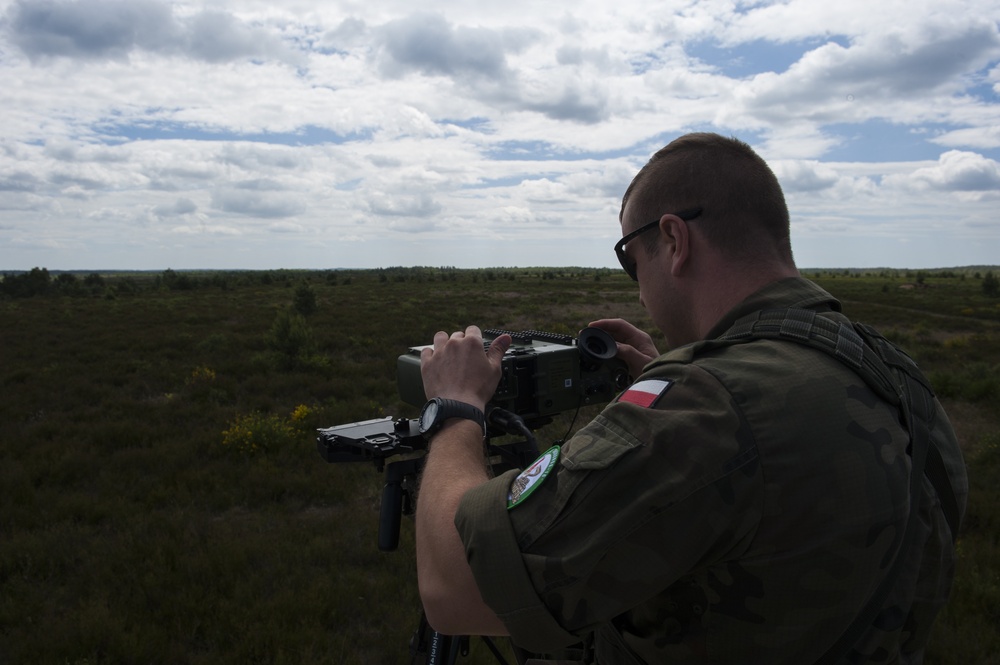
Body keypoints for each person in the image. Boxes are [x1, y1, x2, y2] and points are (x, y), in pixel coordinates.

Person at [414, 133, 968, 664]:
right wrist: (668, 379)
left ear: (675, 241)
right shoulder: (893, 374)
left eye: (632, 259)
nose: (638, 287)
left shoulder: (708, 406)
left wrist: (457, 409)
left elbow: (454, 589)